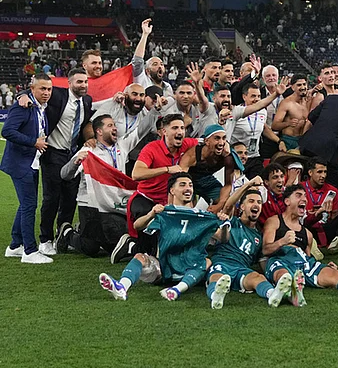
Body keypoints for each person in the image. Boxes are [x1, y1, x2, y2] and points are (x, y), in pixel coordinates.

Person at [99, 172, 230, 302]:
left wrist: (224, 226)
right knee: (140, 257)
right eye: (183, 185)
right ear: (172, 190)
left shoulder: (201, 216)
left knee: (207, 262)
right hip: (164, 268)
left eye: (190, 185)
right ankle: (122, 287)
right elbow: (137, 225)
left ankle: (177, 290)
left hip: (190, 267)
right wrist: (151, 214)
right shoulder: (165, 212)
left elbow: (223, 239)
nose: (188, 188)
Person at [58, 107, 161, 257]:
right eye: (110, 125)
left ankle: (86, 230)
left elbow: (140, 131)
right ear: (99, 131)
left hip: (114, 202)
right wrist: (76, 162)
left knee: (116, 239)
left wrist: (154, 111)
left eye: (114, 125)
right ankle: (68, 233)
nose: (115, 128)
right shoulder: (88, 151)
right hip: (90, 204)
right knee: (91, 249)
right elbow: (64, 175)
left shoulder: (122, 145)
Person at [115, 114, 198, 263]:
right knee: (149, 252)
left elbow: (206, 142)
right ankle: (130, 246)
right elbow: (136, 174)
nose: (180, 131)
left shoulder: (187, 144)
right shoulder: (152, 148)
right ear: (163, 131)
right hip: (146, 198)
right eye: (175, 128)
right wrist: (167, 169)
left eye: (182, 128)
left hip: (170, 201)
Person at [33, 68, 95, 254]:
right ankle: (45, 239)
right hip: (53, 153)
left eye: (85, 82)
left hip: (74, 154)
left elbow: (85, 123)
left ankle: (63, 234)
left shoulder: (87, 100)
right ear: (69, 83)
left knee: (70, 198)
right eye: (79, 82)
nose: (83, 85)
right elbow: (35, 90)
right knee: (52, 198)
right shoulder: (57, 95)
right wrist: (23, 96)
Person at [206, 178, 293, 309]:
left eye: (259, 202)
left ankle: (273, 295)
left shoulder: (258, 236)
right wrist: (248, 185)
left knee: (257, 277)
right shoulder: (231, 221)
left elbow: (262, 261)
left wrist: (272, 275)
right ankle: (215, 297)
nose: (256, 205)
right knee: (217, 278)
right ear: (241, 206)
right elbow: (229, 205)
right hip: (223, 263)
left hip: (242, 269)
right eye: (251, 201)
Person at [1, 74, 53, 264]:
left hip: (31, 162)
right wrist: (33, 142)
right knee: (30, 205)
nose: (46, 93)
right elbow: (6, 131)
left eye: (49, 89)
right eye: (42, 89)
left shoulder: (39, 105)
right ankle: (30, 251)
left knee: (26, 205)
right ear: (32, 89)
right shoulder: (23, 106)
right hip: (20, 163)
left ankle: (15, 246)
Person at [225, 80, 287, 179]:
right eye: (253, 96)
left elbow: (264, 128)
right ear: (244, 97)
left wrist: (279, 141)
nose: (257, 99)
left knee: (257, 185)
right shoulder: (236, 112)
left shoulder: (262, 111)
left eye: (258, 96)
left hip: (254, 156)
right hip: (237, 157)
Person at [301, 157, 338, 254]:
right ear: (310, 173)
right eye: (319, 172)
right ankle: (311, 245)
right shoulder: (300, 189)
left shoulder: (332, 190)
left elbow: (334, 216)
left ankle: (337, 240)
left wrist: (329, 214)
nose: (323, 176)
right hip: (307, 227)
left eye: (325, 172)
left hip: (325, 228)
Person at [180, 124, 236, 212]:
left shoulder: (227, 157)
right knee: (186, 209)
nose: (221, 143)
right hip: (189, 181)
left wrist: (220, 205)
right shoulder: (192, 155)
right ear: (207, 141)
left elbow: (228, 184)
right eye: (217, 138)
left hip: (207, 180)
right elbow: (180, 179)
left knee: (228, 205)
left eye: (224, 138)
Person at [131, 18, 173, 97]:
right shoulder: (142, 80)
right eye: (155, 64)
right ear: (147, 71)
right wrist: (145, 35)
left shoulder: (168, 87)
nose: (160, 66)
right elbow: (137, 61)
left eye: (161, 64)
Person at [272, 73, 310, 151]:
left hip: (303, 140)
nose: (303, 87)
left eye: (304, 84)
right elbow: (274, 126)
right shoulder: (286, 103)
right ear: (292, 87)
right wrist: (288, 123)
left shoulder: (309, 102)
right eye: (299, 85)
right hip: (289, 140)